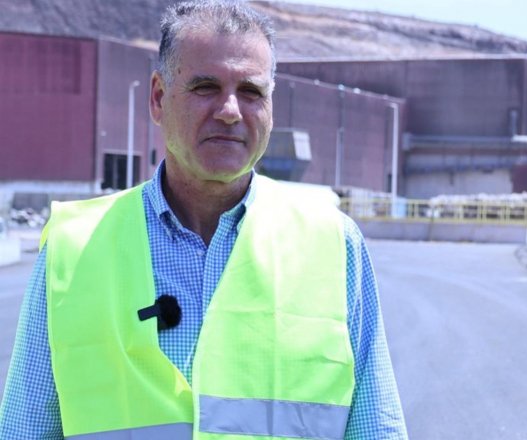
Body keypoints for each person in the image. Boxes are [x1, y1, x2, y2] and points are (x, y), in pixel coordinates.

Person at [0, 1, 407, 438]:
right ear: (158, 98)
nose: (230, 110)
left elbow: (376, 428)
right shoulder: (73, 249)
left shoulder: (333, 243)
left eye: (251, 92)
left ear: (271, 108)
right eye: (205, 87)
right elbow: (25, 429)